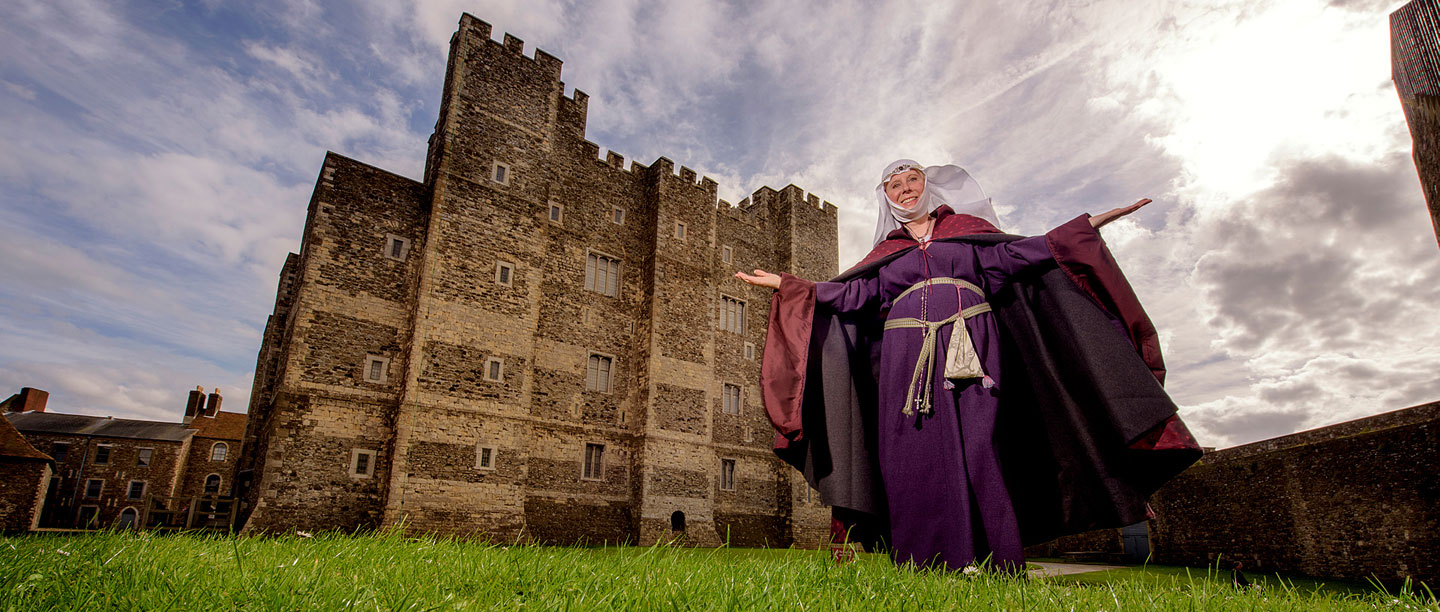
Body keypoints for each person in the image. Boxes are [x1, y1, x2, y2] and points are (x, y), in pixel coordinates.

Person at [737, 159, 1201, 572]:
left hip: (972, 341)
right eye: (894, 184)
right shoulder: (885, 254)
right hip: (905, 353)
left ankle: (995, 557)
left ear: (927, 186)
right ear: (886, 197)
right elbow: (854, 295)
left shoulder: (966, 231)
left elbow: (1023, 253)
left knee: (983, 441)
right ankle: (924, 560)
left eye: (911, 179)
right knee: (912, 448)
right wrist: (787, 282)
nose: (904, 188)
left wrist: (1091, 223)